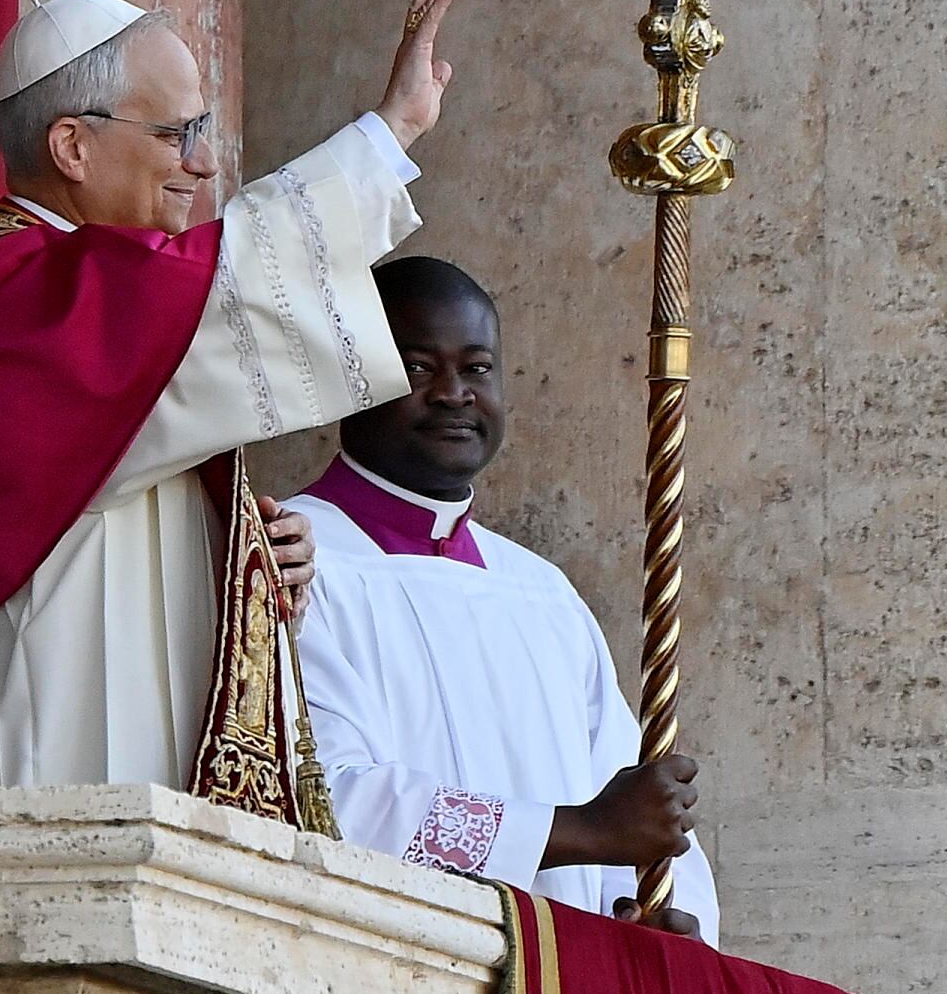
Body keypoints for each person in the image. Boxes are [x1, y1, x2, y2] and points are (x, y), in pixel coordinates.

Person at [0, 0, 465, 805]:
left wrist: (246, 549)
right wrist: (389, 132)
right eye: (177, 132)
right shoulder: (5, 291)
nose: (205, 162)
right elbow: (231, 279)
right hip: (60, 710)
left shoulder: (95, 292)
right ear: (73, 146)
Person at [287, 257, 719, 941]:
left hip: (561, 987)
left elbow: (627, 795)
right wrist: (576, 831)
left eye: (478, 368)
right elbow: (322, 800)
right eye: (419, 368)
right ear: (350, 379)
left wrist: (656, 916)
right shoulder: (292, 557)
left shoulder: (541, 592)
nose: (454, 393)